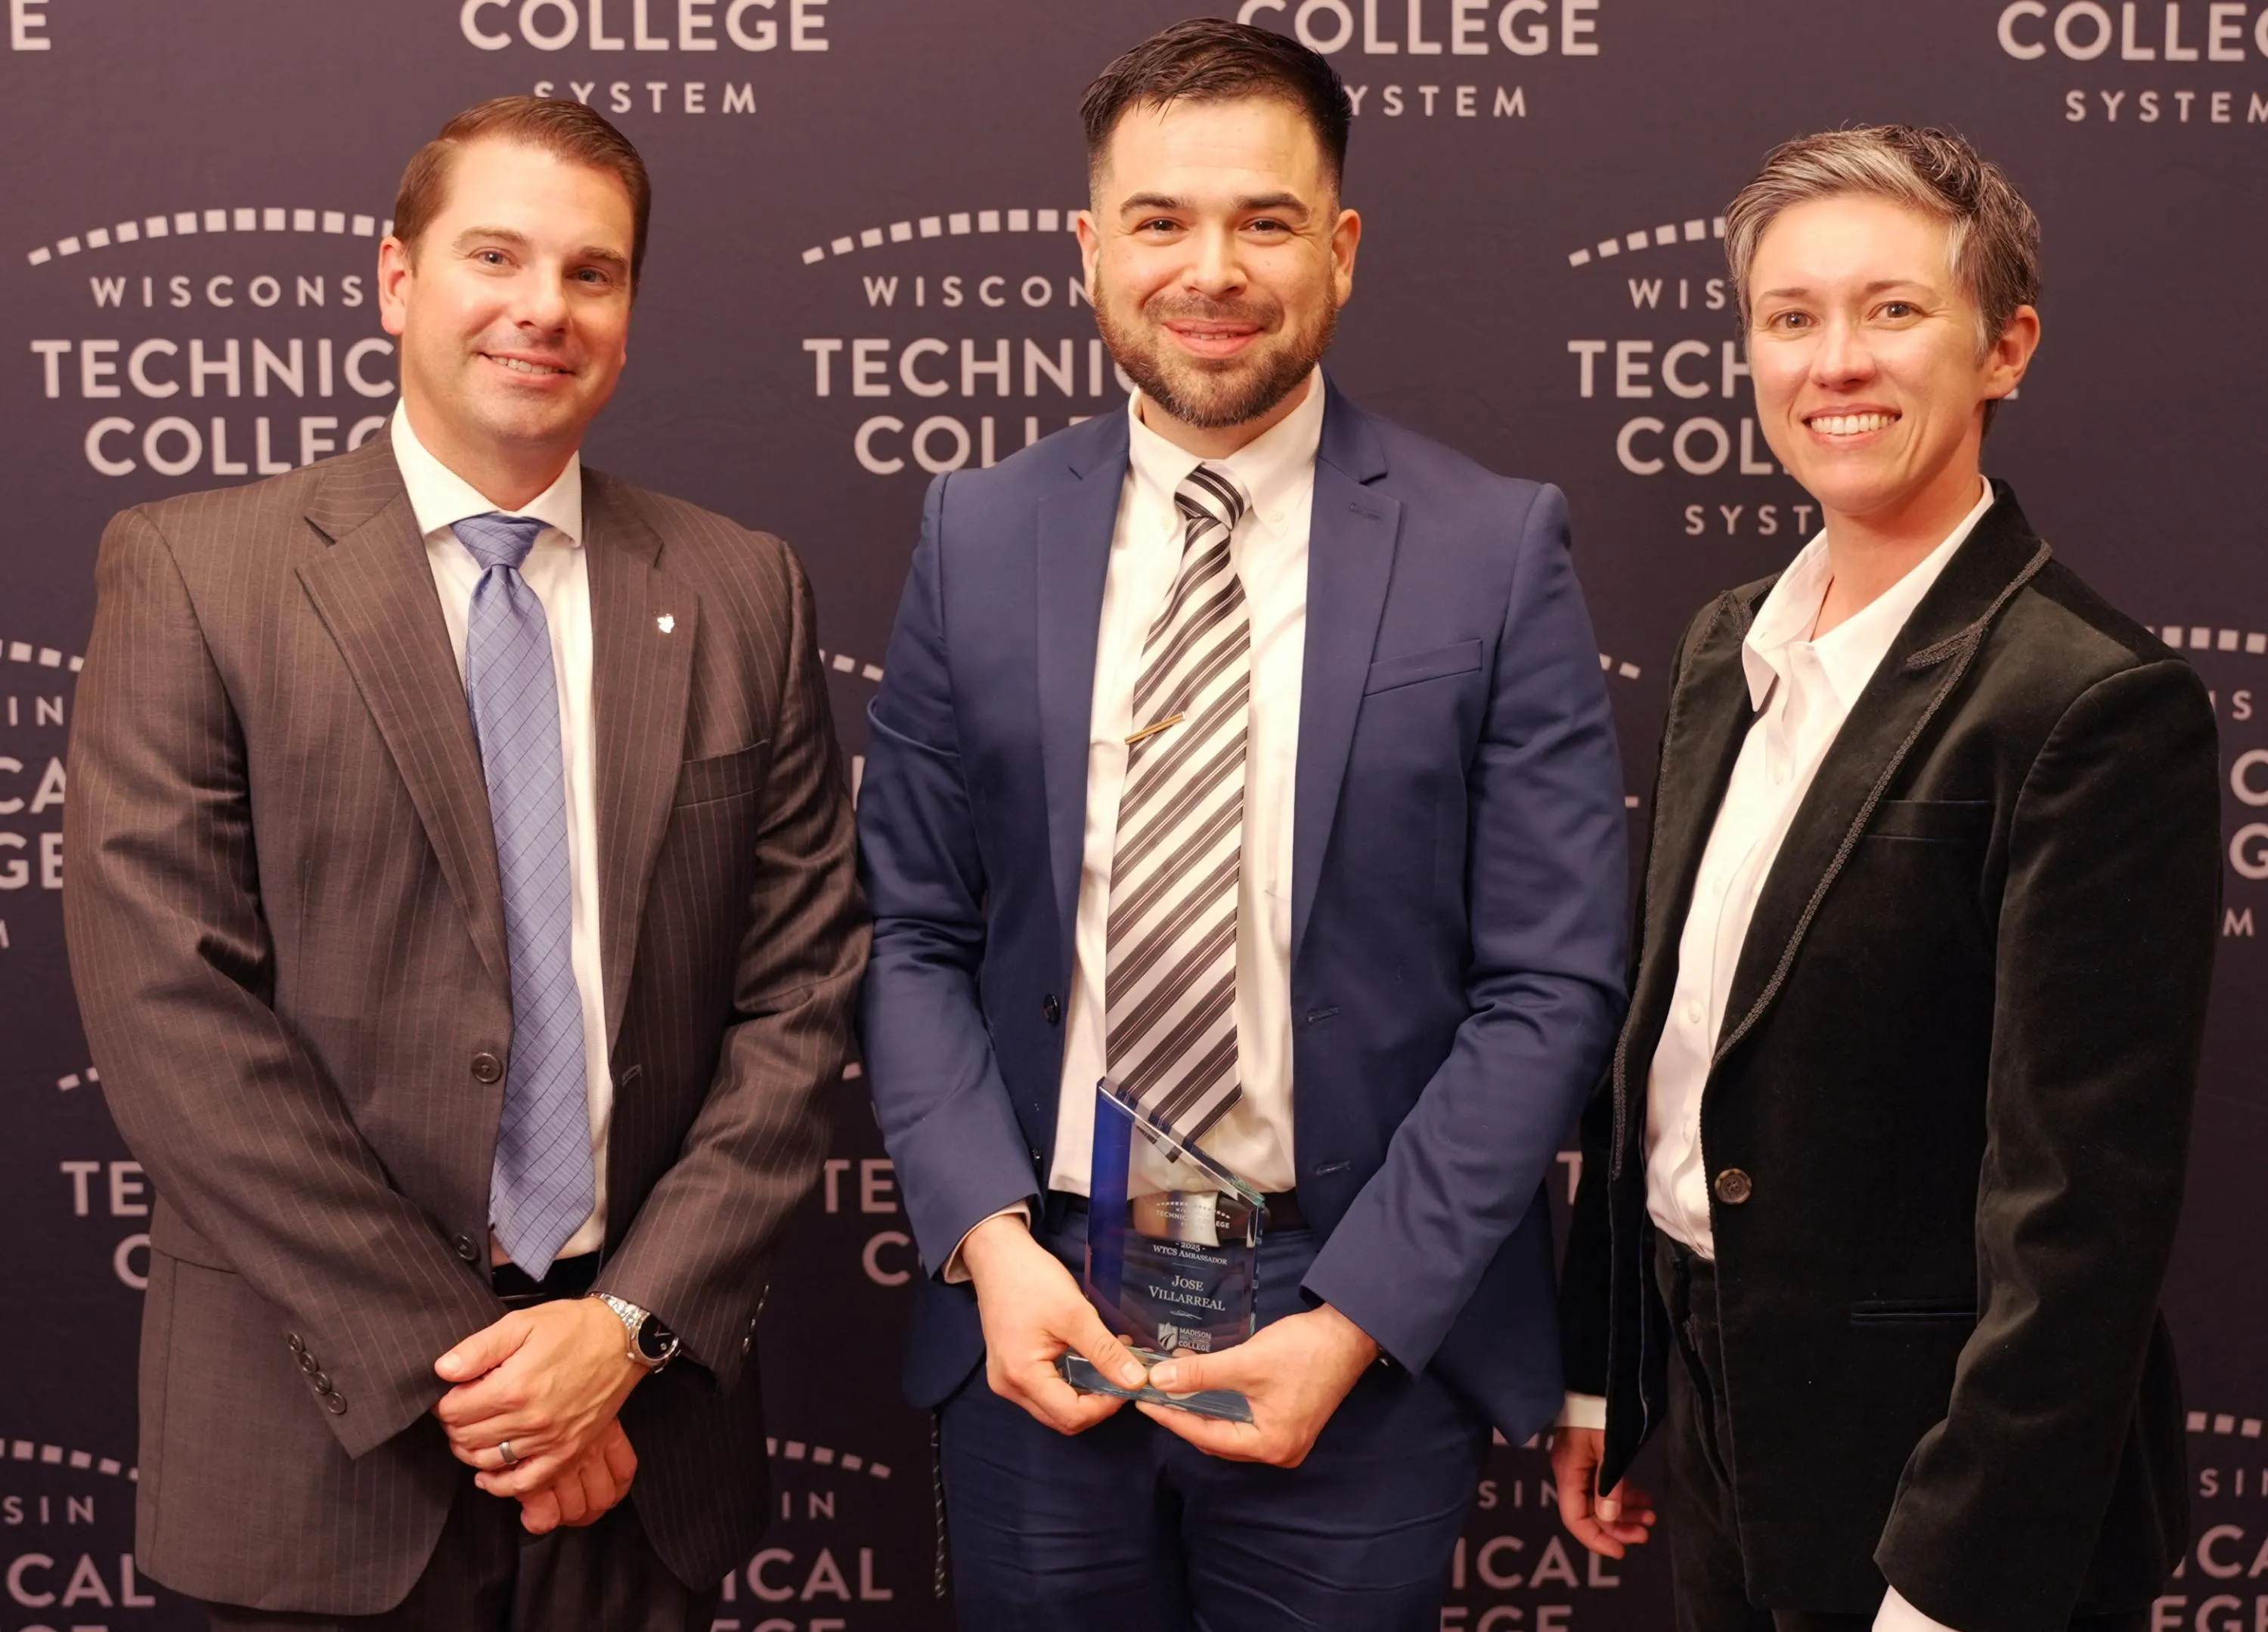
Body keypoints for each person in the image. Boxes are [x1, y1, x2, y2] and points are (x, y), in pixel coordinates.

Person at [856, 19, 1629, 1629]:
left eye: (1265, 221)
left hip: (1352, 1298)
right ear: (1090, 250)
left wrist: (1356, 1315)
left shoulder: (1493, 549)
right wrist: (992, 1245)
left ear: (1338, 250)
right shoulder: (976, 532)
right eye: (1161, 220)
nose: (1212, 269)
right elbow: (915, 930)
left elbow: (1551, 982)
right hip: (1047, 1287)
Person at [62, 96, 866, 1631]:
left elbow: (800, 997)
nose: (542, 308)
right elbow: (174, 1017)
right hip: (321, 1444)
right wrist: (493, 1381)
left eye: (591, 271)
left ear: (629, 309)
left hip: (643, 1441)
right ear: (396, 279)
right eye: (495, 256)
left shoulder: (741, 589)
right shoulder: (195, 571)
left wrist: (618, 1332)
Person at [1552, 125, 2220, 1632]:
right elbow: (1666, 1043)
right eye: (1790, 316)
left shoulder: (2093, 703)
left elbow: (2080, 1221)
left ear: (2006, 349)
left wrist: (1951, 1581)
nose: (1834, 361)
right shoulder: (1727, 644)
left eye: (1894, 309)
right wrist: (1607, 1365)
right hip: (1719, 1416)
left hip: (1946, 1479)